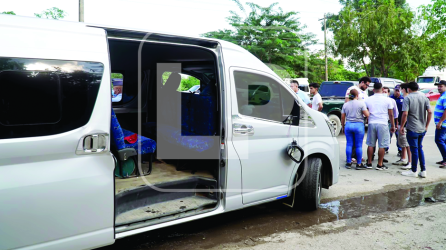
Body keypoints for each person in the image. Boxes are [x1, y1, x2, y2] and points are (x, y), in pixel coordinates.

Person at [400, 81, 432, 178]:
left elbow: (405, 114)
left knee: (414, 150)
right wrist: (426, 126)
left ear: (408, 89)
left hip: (412, 128)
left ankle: (414, 170)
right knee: (419, 149)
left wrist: (401, 126)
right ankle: (423, 170)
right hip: (422, 128)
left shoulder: (408, 98)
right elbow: (430, 112)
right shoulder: (424, 97)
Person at [365, 82, 395, 170]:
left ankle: (369, 163)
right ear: (382, 90)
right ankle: (379, 164)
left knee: (371, 144)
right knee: (382, 145)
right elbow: (391, 114)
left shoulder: (368, 99)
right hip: (383, 123)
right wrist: (393, 125)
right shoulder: (387, 100)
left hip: (371, 123)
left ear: (373, 90)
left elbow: (366, 112)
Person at [341, 89, 370, 170]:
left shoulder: (345, 105)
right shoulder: (361, 104)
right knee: (358, 145)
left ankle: (348, 162)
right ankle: (359, 164)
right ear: (357, 96)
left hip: (348, 125)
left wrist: (343, 126)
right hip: (359, 125)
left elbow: (343, 117)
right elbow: (367, 115)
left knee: (349, 144)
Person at [344, 77, 371, 163]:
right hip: (355, 118)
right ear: (362, 82)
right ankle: (353, 157)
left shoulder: (364, 92)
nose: (367, 87)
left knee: (355, 141)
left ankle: (356, 156)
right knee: (353, 142)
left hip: (359, 118)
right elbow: (347, 101)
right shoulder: (352, 89)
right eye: (366, 85)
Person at [392, 84, 412, 170]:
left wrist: (402, 125)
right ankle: (403, 158)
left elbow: (405, 114)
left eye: (400, 89)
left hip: (405, 124)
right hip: (400, 123)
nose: (399, 91)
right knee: (403, 143)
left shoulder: (406, 99)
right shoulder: (395, 98)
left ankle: (410, 162)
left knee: (407, 144)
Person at [383, 86, 399, 154]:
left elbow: (395, 114)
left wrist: (395, 123)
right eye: (383, 92)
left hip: (389, 121)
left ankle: (385, 148)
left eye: (385, 92)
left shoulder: (392, 101)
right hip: (381, 122)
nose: (384, 93)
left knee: (388, 136)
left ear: (388, 93)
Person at [434, 80, 446, 167]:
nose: (439, 88)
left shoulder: (445, 96)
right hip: (442, 123)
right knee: (443, 141)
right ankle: (444, 159)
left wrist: (440, 122)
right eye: (438, 86)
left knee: (439, 140)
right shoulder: (442, 96)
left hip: (443, 124)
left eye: (441, 86)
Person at [390, 85, 405, 156]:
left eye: (398, 90)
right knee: (388, 136)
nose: (397, 92)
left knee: (399, 137)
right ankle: (385, 149)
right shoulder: (390, 98)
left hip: (399, 120)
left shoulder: (403, 99)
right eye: (396, 90)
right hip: (390, 120)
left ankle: (400, 150)